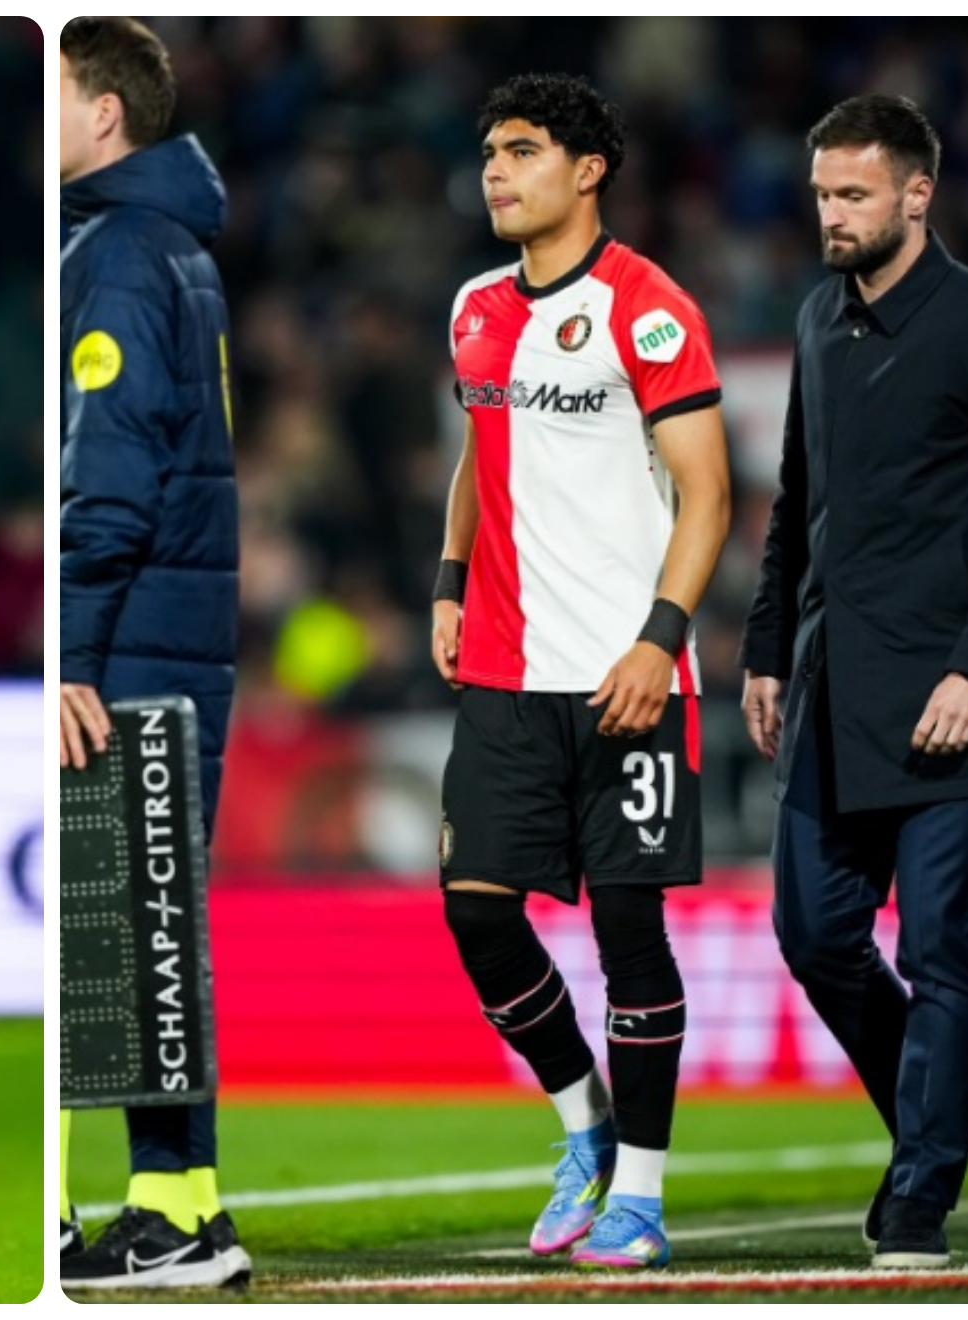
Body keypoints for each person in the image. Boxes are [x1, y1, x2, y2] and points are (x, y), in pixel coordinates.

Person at [430, 73, 730, 1270]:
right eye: (489, 153)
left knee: (628, 935)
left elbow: (707, 491)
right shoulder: (473, 309)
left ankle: (643, 1199)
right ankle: (584, 1126)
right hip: (505, 667)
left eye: (521, 151)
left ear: (588, 169)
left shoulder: (646, 310)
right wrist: (449, 584)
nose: (495, 172)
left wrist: (661, 638)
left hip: (626, 675)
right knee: (476, 915)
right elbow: (476, 454)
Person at [740, 93, 968, 1270]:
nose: (833, 216)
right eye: (821, 195)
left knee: (943, 949)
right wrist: (764, 647)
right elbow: (796, 505)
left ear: (917, 193)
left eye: (854, 194)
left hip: (953, 704)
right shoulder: (816, 318)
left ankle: (919, 1197)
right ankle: (941, 1107)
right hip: (830, 694)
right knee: (813, 937)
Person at [56, 16, 248, 1291]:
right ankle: (176, 1206)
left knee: (118, 931)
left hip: (129, 635)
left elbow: (112, 475)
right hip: (178, 621)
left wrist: (67, 649)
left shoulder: (120, 252)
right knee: (144, 926)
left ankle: (166, 1218)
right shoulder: (166, 243)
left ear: (104, 112)